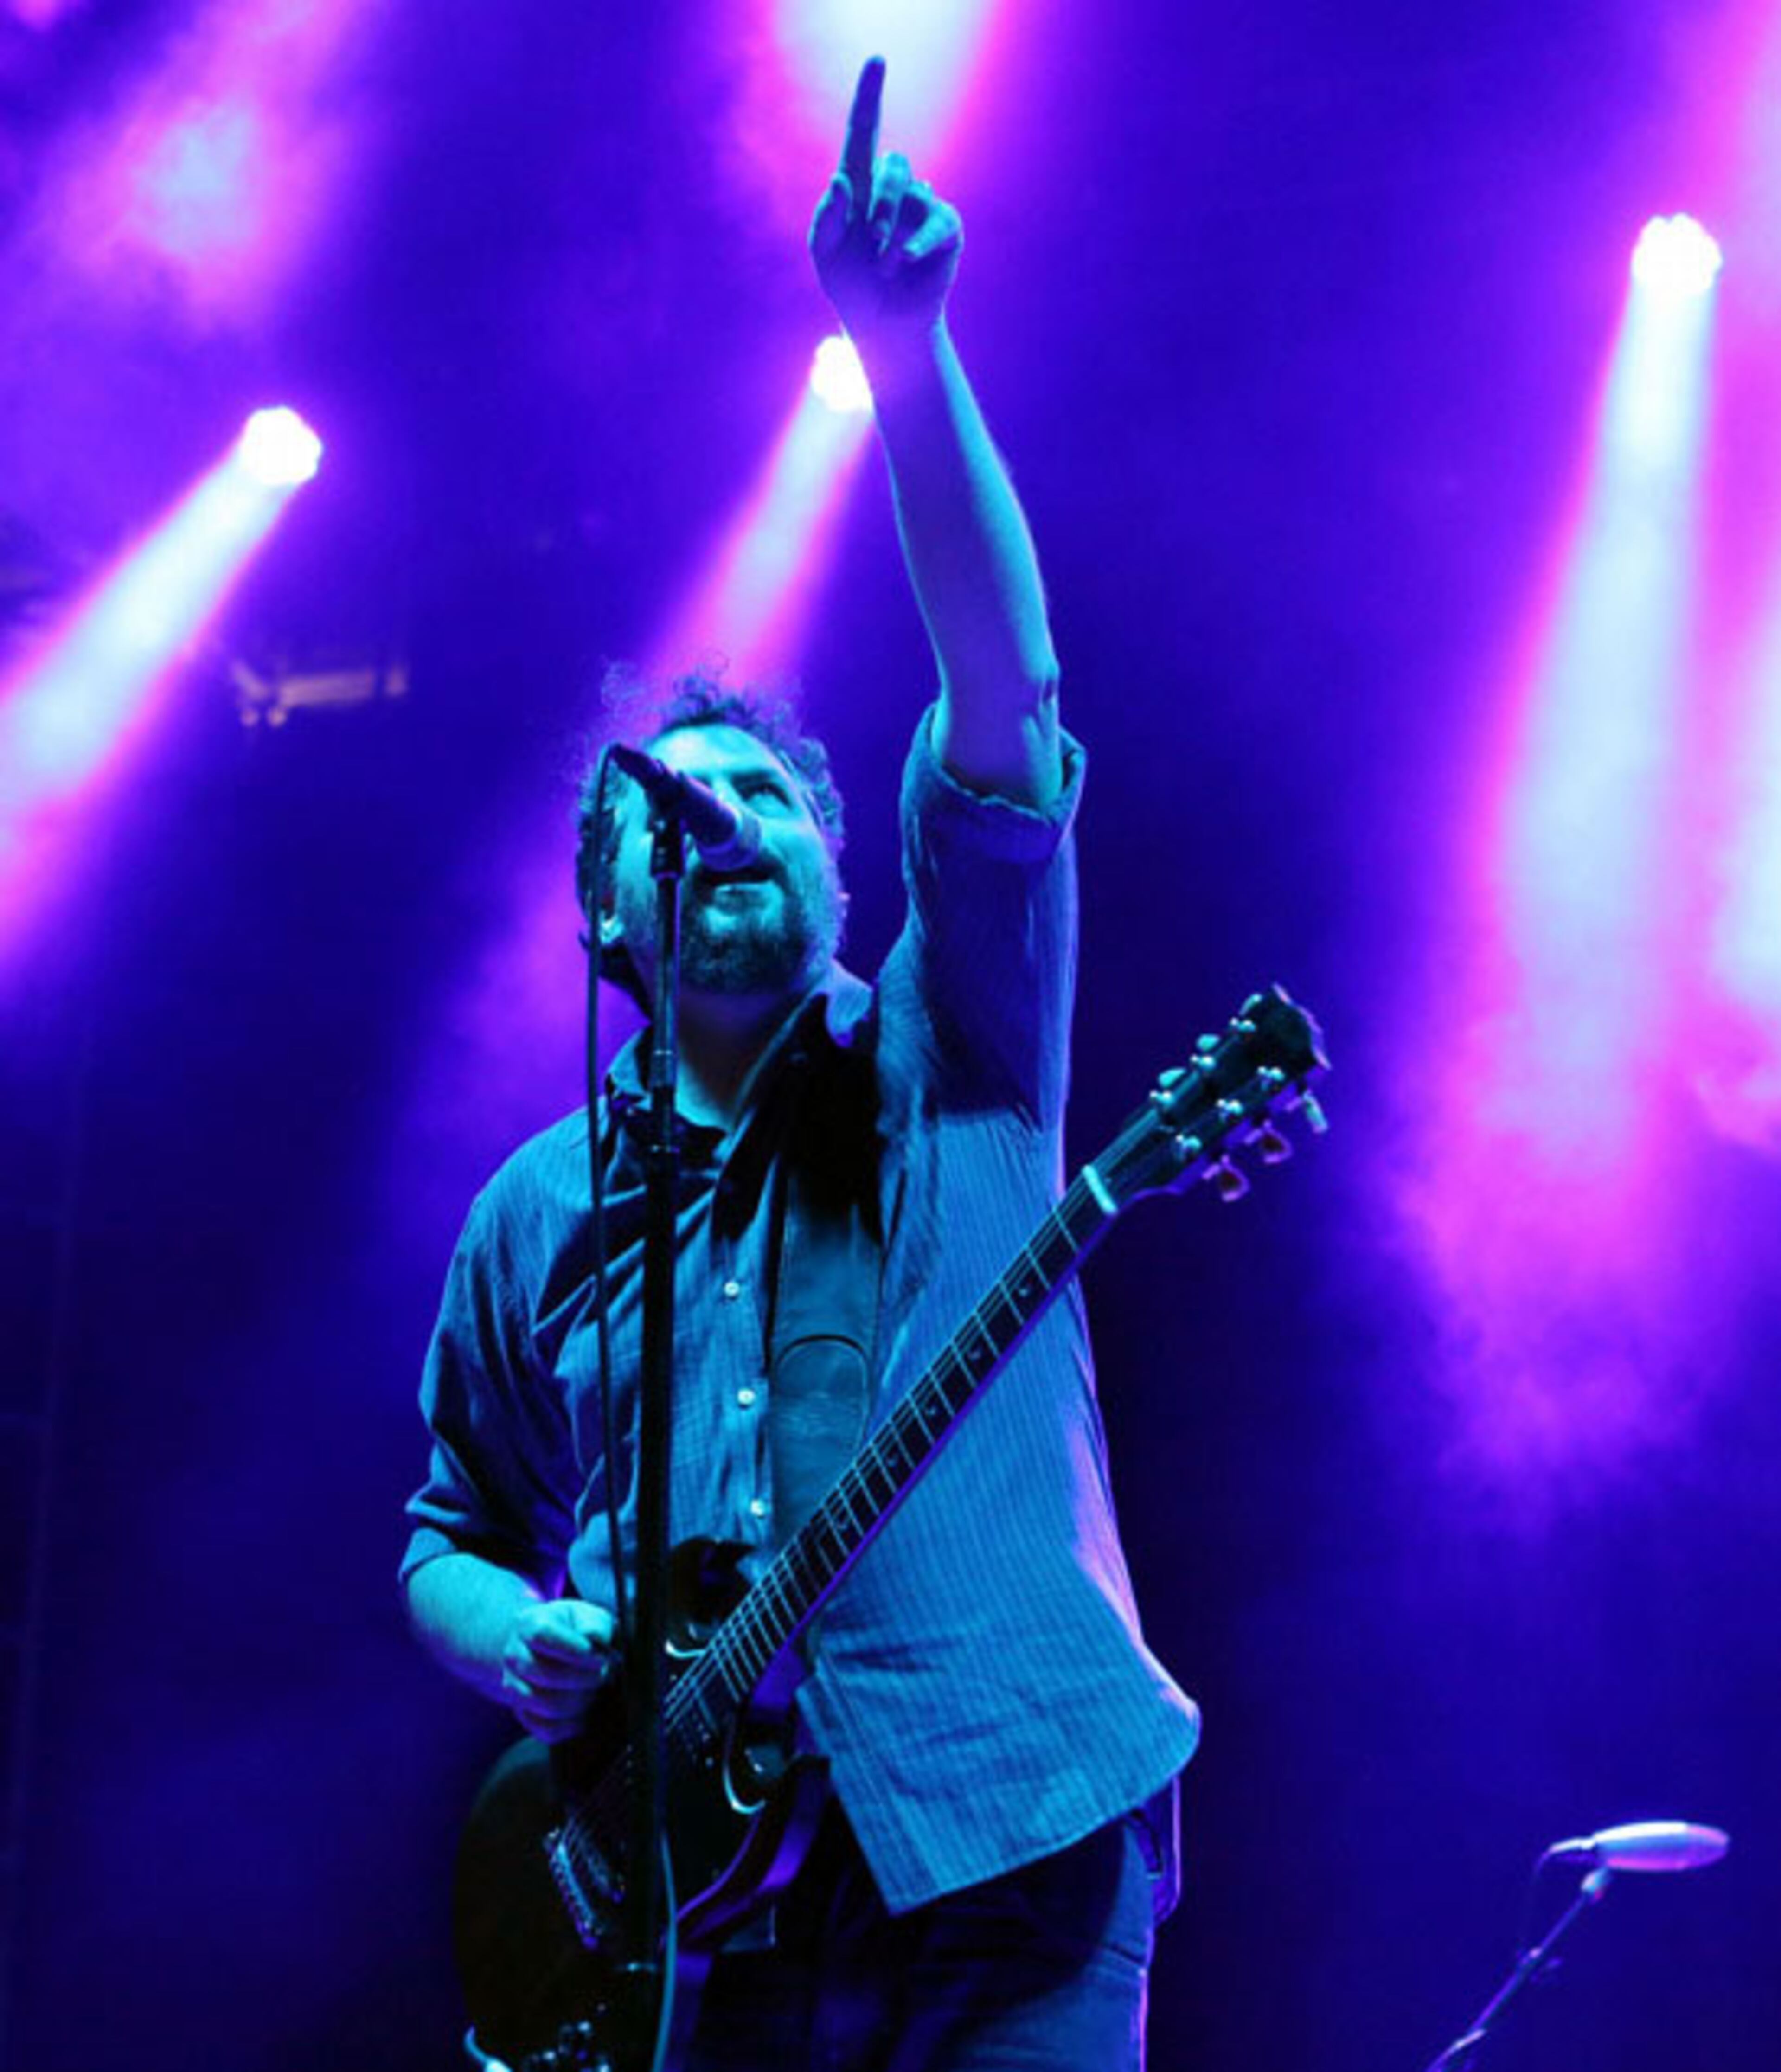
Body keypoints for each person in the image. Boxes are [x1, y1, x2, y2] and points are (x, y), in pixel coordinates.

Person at [403, 56, 1199, 2071]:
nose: (726, 819)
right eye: (673, 811)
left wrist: (906, 355)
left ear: (834, 863)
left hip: (1001, 1821)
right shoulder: (535, 1211)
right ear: (611, 920)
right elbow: (443, 1532)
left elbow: (1006, 694)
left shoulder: (958, 1040)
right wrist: (527, 1641)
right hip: (684, 1902)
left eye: (764, 793)